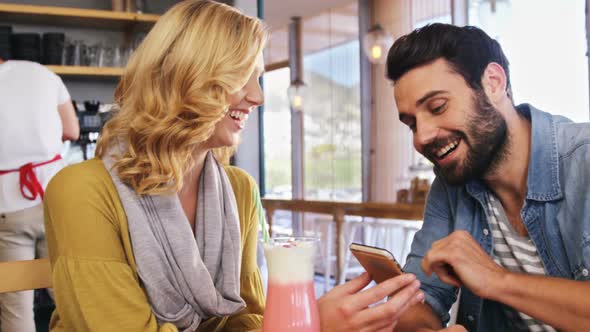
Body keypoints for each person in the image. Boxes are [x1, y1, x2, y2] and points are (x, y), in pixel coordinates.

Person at [43, 1, 424, 331]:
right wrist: (306, 324)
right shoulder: (82, 191)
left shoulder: (239, 189)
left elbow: (246, 318)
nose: (257, 96)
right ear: (185, 76)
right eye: (242, 77)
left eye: (258, 77)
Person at [384, 23, 590, 332]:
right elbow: (419, 299)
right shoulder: (451, 184)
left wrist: (496, 280)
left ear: (493, 83)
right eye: (412, 124)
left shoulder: (583, 161)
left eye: (437, 107)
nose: (422, 137)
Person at [0, 58, 78, 331]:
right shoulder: (42, 73)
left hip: (9, 207)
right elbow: (72, 130)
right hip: (57, 198)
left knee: (16, 304)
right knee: (70, 296)